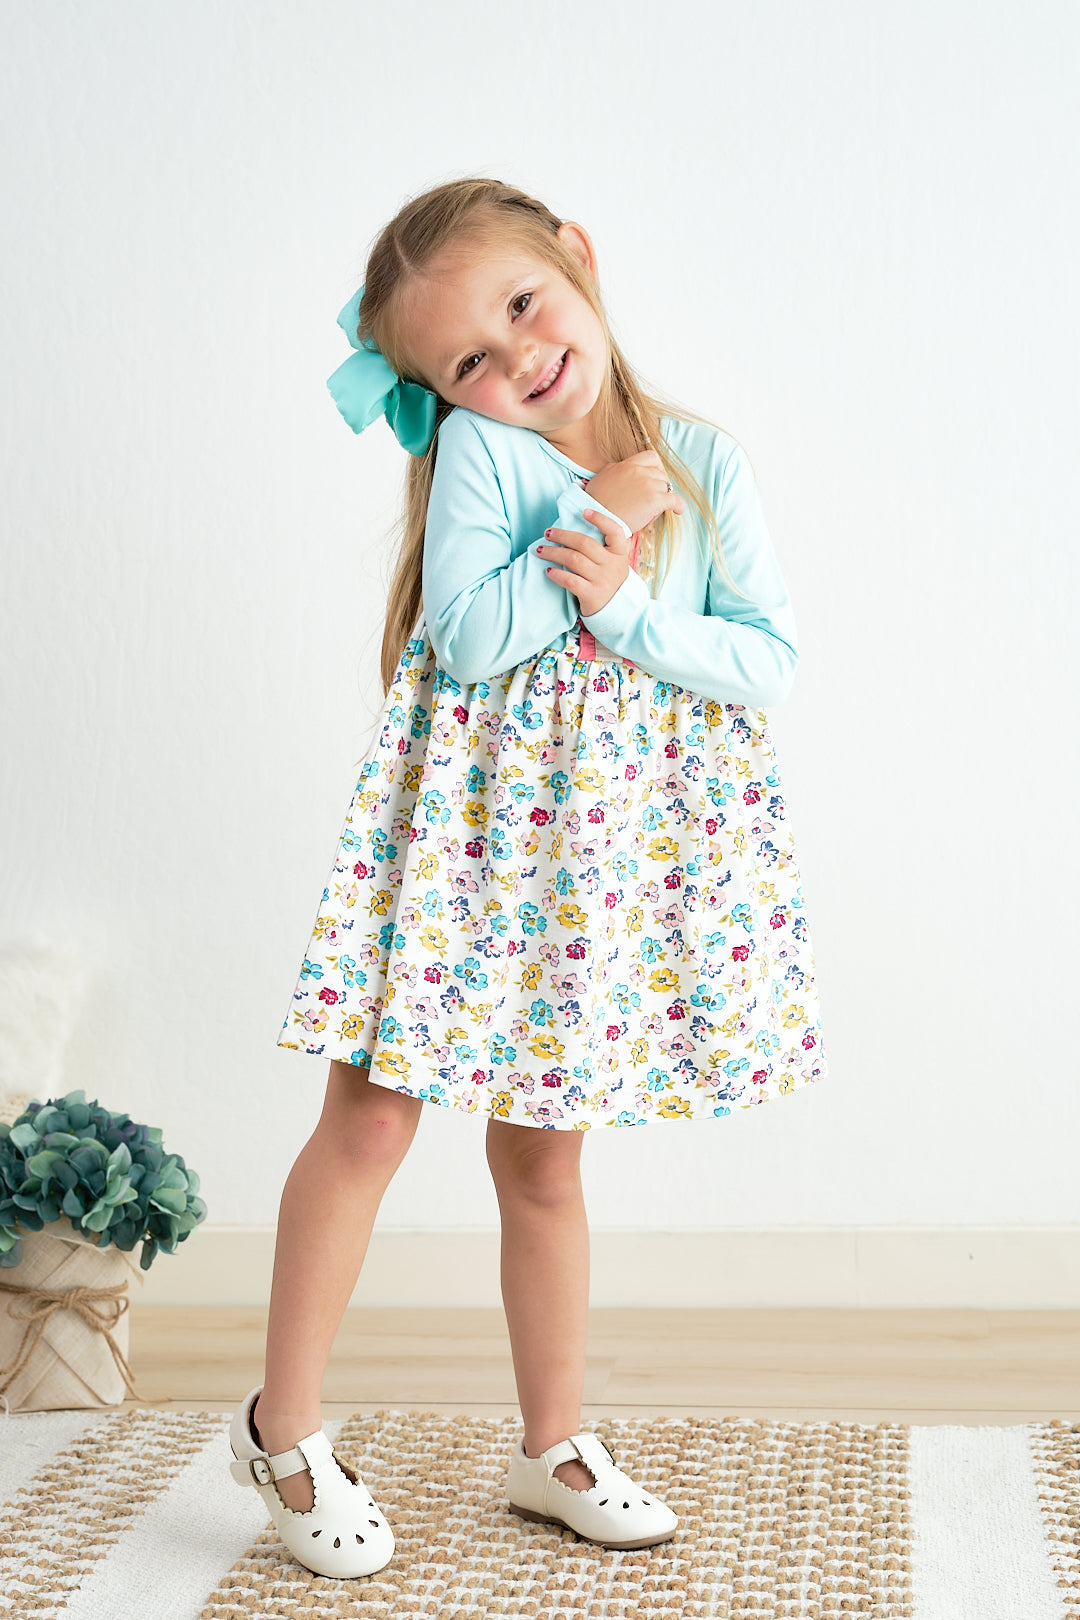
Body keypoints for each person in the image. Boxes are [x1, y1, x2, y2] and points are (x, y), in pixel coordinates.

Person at [227, 177, 828, 1579]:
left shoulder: (703, 460)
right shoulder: (487, 457)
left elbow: (767, 660)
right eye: (470, 363)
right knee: (374, 1117)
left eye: (522, 306)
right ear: (443, 397)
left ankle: (552, 1445)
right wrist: (597, 530)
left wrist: (630, 601)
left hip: (598, 860)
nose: (518, 360)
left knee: (546, 1155)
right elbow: (472, 637)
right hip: (468, 846)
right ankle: (283, 1432)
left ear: (576, 256)